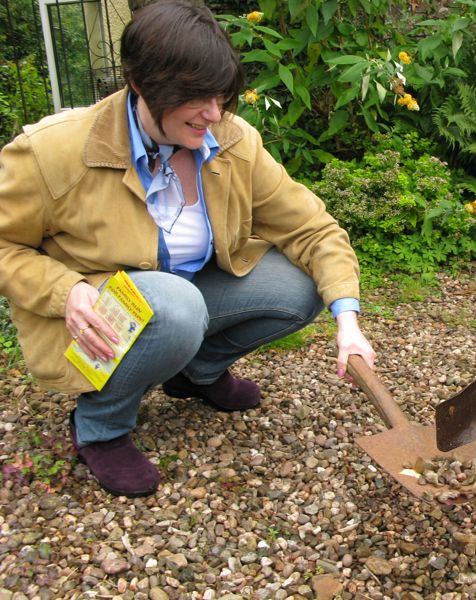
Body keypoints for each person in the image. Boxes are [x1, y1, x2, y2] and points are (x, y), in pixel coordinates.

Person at [0, 0, 375, 498]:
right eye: (196, 98)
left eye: (221, 96)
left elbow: (313, 228)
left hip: (185, 298)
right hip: (95, 314)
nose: (214, 114)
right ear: (141, 83)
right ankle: (100, 426)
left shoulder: (232, 140)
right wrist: (63, 290)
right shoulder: (54, 152)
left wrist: (347, 321)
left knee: (301, 287)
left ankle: (195, 374)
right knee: (175, 306)